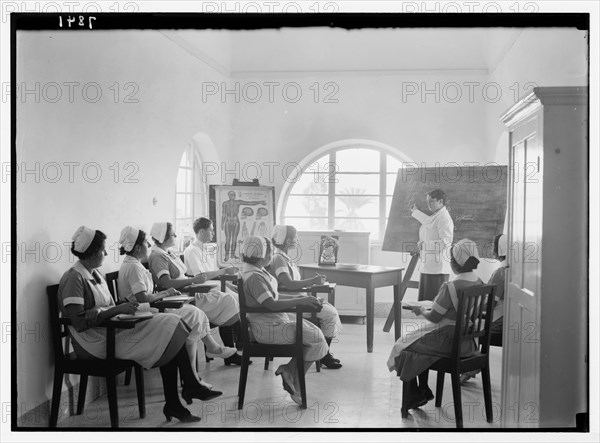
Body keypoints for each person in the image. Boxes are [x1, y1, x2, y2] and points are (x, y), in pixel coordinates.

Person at [58, 226, 223, 424]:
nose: (106, 253)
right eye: (102, 249)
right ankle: (186, 388)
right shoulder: (73, 278)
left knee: (171, 324)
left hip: (110, 331)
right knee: (168, 328)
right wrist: (115, 311)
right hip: (94, 343)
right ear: (92, 252)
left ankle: (179, 396)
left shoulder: (94, 273)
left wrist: (117, 309)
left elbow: (104, 309)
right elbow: (79, 323)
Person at [117, 226, 237, 388]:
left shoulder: (135, 263)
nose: (148, 245)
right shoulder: (134, 266)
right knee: (192, 316)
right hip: (143, 311)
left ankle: (196, 372)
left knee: (197, 313)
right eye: (145, 243)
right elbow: (143, 297)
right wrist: (164, 294)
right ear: (138, 247)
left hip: (151, 306)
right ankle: (197, 371)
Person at [386, 238, 483, 411]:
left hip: (448, 341)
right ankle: (420, 392)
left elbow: (435, 317)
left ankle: (417, 394)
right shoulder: (480, 283)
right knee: (416, 346)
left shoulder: (451, 286)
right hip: (468, 343)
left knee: (405, 346)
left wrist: (421, 310)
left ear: (453, 262)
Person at [241, 236, 328, 406]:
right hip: (270, 329)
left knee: (315, 335)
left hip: (274, 323)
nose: (271, 254)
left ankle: (290, 372)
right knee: (317, 339)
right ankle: (293, 381)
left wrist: (304, 298)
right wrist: (300, 301)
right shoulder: (254, 278)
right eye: (268, 251)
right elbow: (272, 304)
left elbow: (273, 296)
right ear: (260, 254)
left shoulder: (254, 271)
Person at [147, 222, 244, 366]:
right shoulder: (157, 256)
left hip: (190, 289)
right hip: (181, 297)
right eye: (173, 234)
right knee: (227, 301)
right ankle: (232, 350)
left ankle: (232, 349)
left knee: (228, 300)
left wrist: (194, 281)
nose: (176, 236)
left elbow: (181, 276)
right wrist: (193, 280)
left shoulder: (168, 252)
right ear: (164, 237)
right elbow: (165, 283)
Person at [268, 224, 343, 369]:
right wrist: (313, 281)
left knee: (330, 311)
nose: (297, 239)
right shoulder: (279, 258)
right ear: (287, 239)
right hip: (291, 302)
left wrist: (309, 291)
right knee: (330, 313)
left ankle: (324, 353)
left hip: (297, 298)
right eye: (295, 236)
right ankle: (324, 355)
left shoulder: (283, 257)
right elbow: (289, 284)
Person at [183, 217, 247, 365]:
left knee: (238, 298)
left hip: (213, 287)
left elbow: (214, 273)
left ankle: (236, 346)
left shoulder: (207, 248)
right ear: (201, 231)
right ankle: (235, 347)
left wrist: (230, 285)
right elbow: (201, 276)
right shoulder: (191, 251)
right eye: (210, 230)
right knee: (229, 302)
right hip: (200, 291)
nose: (213, 233)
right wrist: (224, 271)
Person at [460, 233, 508, 384]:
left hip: (499, 320)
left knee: (466, 327)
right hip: (507, 316)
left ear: (499, 250)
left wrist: (473, 303)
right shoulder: (515, 267)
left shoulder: (501, 272)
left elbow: (490, 304)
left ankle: (470, 365)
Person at [410, 189, 454, 301]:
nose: (428, 204)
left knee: (433, 304)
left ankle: (431, 319)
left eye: (431, 201)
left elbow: (445, 243)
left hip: (437, 270)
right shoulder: (438, 215)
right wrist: (415, 212)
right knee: (426, 303)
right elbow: (429, 222)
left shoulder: (444, 218)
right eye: (427, 201)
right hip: (430, 267)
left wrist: (424, 245)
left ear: (440, 201)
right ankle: (428, 319)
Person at [221, 190, 266, 261]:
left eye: (233, 195)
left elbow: (249, 203)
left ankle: (232, 254)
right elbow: (223, 214)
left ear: (235, 196)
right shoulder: (225, 203)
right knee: (228, 239)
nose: (232, 196)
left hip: (236, 221)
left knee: (234, 239)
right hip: (227, 221)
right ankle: (227, 255)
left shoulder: (237, 202)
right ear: (228, 195)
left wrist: (260, 202)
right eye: (231, 194)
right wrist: (221, 224)